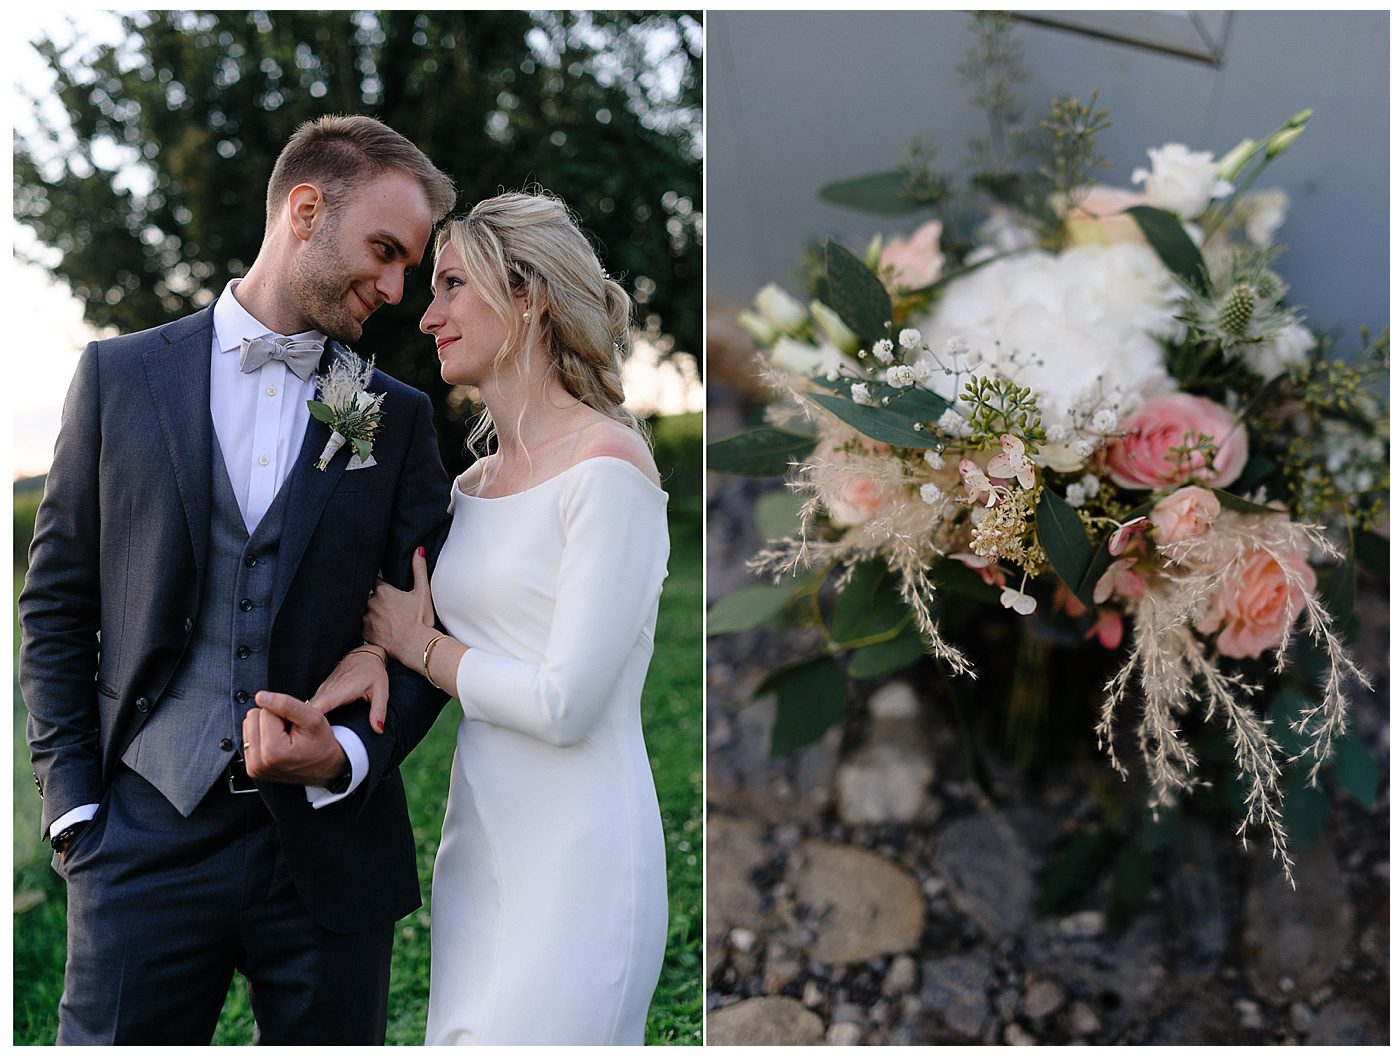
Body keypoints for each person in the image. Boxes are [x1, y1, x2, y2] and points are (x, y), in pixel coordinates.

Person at [19, 114, 457, 1044]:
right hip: (141, 836)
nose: (396, 290)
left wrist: (347, 756)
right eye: (385, 252)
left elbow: (431, 624)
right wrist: (75, 811)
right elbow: (56, 604)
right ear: (306, 211)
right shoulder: (118, 377)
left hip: (329, 854)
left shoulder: (389, 414)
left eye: (409, 268)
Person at [283, 191, 671, 1044]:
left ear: (528, 296)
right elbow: (432, 621)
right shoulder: (468, 488)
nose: (428, 316)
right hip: (481, 847)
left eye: (452, 285)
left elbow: (564, 703)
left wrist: (419, 647)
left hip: (580, 855)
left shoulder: (609, 465)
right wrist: (379, 654)